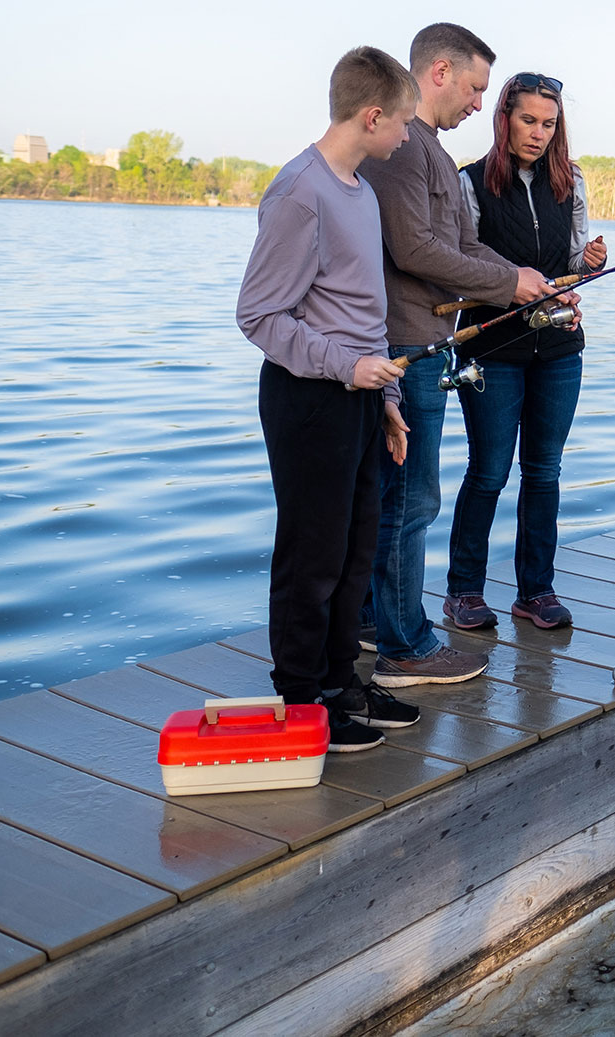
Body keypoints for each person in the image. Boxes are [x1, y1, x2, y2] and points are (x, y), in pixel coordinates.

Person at [359, 24, 573, 681]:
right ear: (441, 72)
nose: (480, 104)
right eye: (478, 89)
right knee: (411, 499)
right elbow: (415, 250)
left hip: (426, 340)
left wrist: (525, 281)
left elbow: (458, 245)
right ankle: (406, 645)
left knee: (402, 495)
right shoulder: (405, 149)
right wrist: (509, 282)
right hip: (405, 343)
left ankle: (377, 621)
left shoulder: (429, 153)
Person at [235, 46, 424, 752]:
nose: (406, 135)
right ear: (372, 116)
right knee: (311, 556)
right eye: (402, 122)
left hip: (359, 401)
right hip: (307, 399)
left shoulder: (360, 191)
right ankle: (299, 697)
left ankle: (341, 679)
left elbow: (362, 315)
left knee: (355, 551)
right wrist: (348, 369)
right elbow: (258, 316)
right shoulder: (299, 191)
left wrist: (388, 401)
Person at [447, 72, 606, 631]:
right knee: (489, 472)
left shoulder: (572, 183)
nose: (539, 133)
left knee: (544, 472)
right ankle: (464, 591)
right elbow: (458, 266)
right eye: (528, 120)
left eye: (550, 123)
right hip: (490, 347)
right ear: (505, 118)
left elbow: (571, 261)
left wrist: (588, 266)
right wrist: (508, 282)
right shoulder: (471, 184)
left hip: (560, 348)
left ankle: (535, 592)